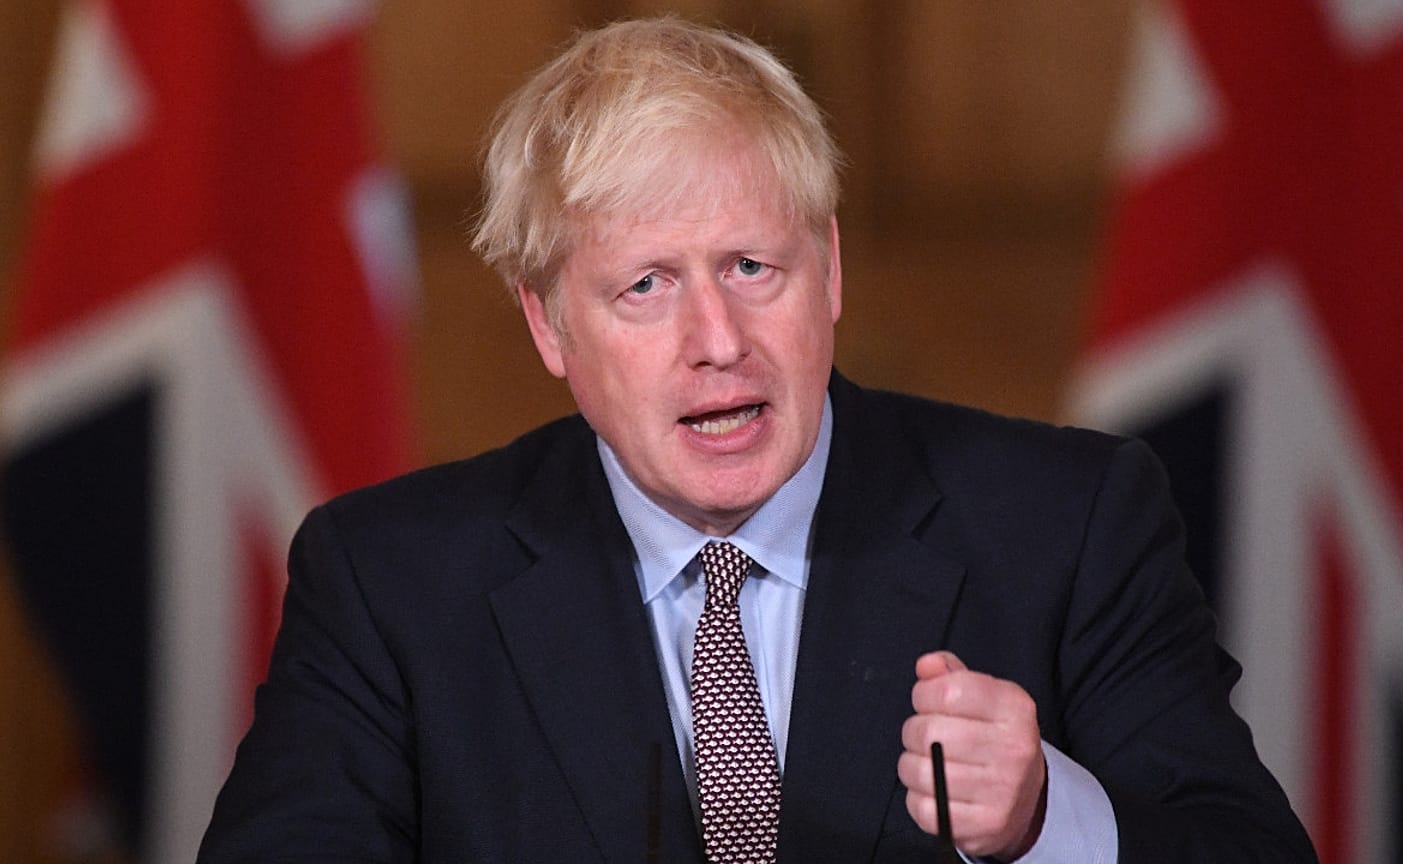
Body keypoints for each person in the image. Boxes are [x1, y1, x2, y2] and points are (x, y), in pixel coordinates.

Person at [199, 17, 1316, 864]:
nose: (717, 341)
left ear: (827, 269)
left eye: (751, 267)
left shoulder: (1068, 522)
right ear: (549, 324)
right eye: (645, 287)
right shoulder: (390, 580)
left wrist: (1046, 820)